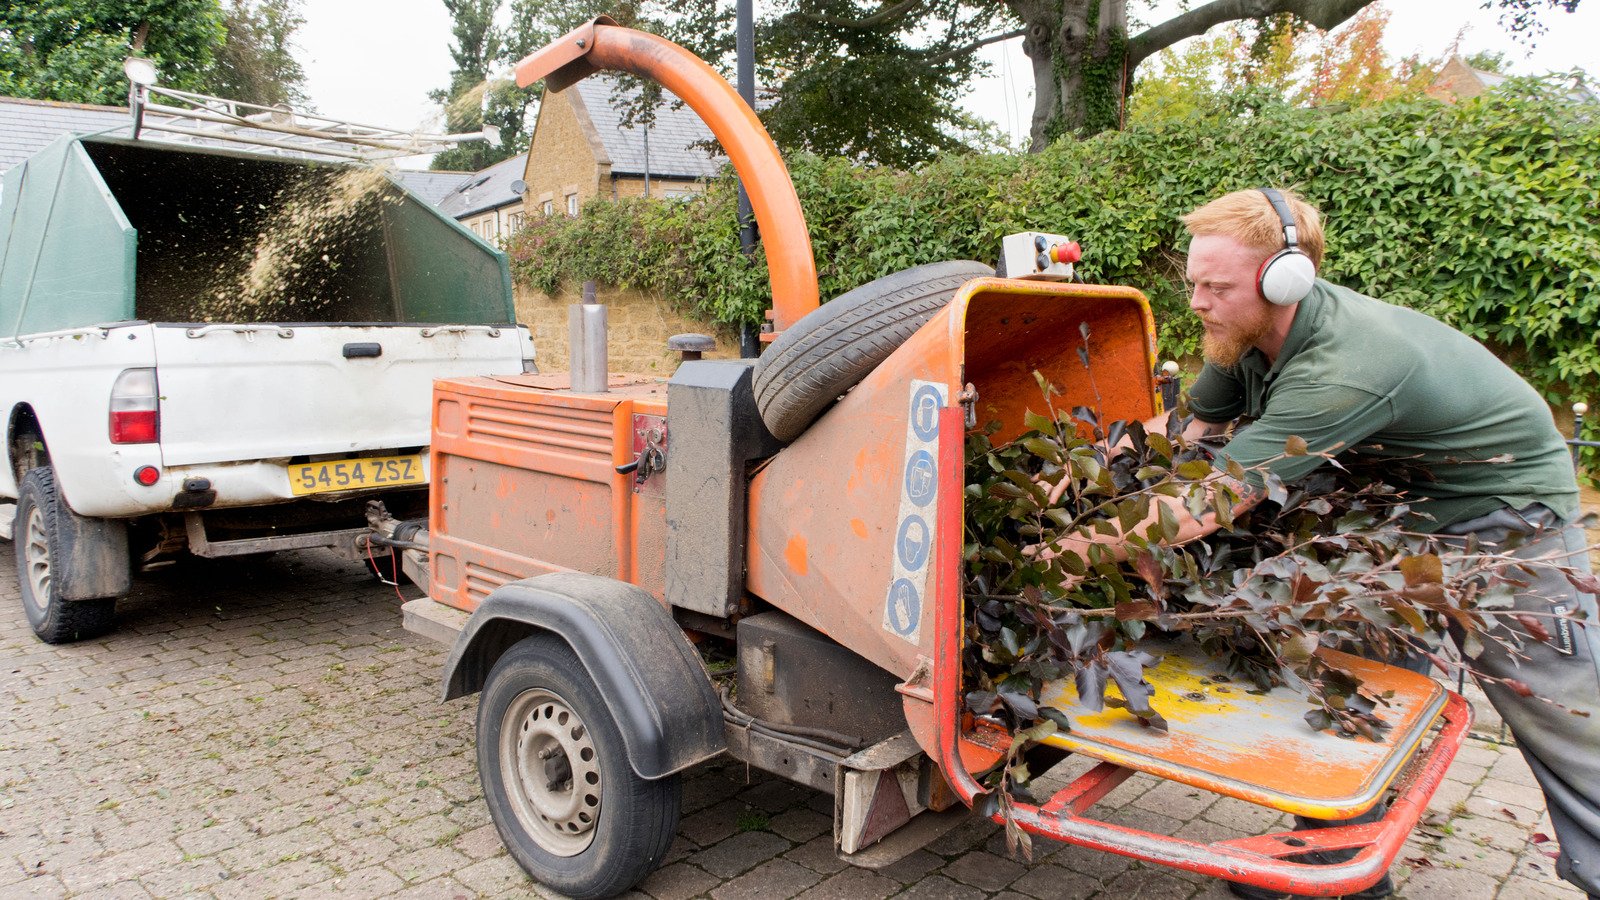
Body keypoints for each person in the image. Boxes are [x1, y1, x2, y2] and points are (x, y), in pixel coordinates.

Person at [1048, 187, 1597, 899]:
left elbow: (1207, 502)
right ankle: (1332, 867)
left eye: (1216, 287)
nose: (1198, 303)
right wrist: (1094, 456)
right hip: (1398, 515)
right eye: (1192, 284)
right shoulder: (1242, 339)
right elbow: (1189, 434)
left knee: (1564, 713)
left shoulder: (1345, 365)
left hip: (1506, 521)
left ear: (1286, 280)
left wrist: (1068, 551)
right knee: (1351, 674)